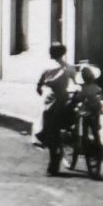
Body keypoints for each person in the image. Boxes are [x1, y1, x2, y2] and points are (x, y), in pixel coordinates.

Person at [34, 42, 77, 176]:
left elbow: (39, 86)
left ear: (50, 53)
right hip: (64, 98)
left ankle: (52, 163)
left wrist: (41, 90)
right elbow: (75, 82)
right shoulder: (69, 67)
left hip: (51, 100)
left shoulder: (47, 67)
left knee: (49, 128)